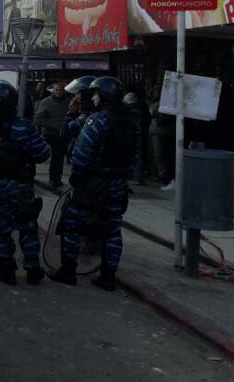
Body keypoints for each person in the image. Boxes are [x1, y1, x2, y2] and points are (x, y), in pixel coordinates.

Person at [49, 76, 137, 291]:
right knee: (112, 230)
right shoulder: (129, 120)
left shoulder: (98, 120)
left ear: (104, 95)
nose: (94, 98)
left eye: (96, 94)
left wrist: (77, 177)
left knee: (72, 224)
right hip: (118, 183)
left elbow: (81, 153)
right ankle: (108, 276)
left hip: (93, 183)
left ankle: (68, 270)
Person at [0, 81, 51, 285]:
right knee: (27, 225)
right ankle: (32, 267)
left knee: (0, 227)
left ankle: (6, 267)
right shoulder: (26, 126)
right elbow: (42, 153)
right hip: (21, 185)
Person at [35, 82, 69, 187]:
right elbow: (38, 118)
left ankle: (57, 177)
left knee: (60, 156)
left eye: (60, 90)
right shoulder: (46, 102)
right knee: (56, 155)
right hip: (51, 133)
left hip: (63, 133)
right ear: (53, 91)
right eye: (56, 90)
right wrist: (51, 125)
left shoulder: (67, 102)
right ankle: (54, 178)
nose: (58, 92)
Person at [123, 84, 150, 185]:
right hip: (139, 131)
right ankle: (139, 177)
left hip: (128, 131)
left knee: (127, 154)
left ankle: (129, 175)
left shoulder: (125, 102)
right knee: (138, 155)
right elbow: (147, 118)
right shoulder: (141, 103)